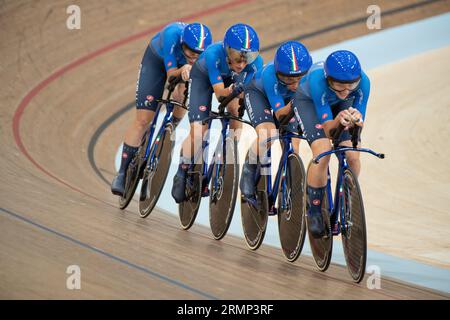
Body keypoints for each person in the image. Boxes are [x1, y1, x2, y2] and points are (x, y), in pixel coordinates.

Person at [111, 22, 212, 196]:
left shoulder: (205, 55)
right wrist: (183, 70)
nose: (194, 57)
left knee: (182, 96)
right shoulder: (172, 36)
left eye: (199, 54)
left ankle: (171, 124)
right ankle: (122, 172)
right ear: (182, 44)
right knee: (143, 120)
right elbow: (172, 74)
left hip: (184, 71)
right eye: (190, 51)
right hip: (157, 63)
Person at [171, 23, 263, 203]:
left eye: (247, 58)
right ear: (227, 50)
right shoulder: (213, 54)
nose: (242, 64)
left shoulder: (255, 64)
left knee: (235, 119)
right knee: (199, 131)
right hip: (204, 80)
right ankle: (181, 172)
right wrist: (238, 90)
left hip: (231, 83)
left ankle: (225, 153)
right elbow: (221, 95)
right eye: (237, 58)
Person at [291, 50, 370, 238]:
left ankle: (349, 197)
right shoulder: (318, 82)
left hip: (339, 105)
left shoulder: (363, 83)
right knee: (323, 151)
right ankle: (314, 209)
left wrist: (355, 122)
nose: (345, 90)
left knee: (352, 153)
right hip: (309, 103)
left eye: (351, 85)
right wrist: (338, 121)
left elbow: (357, 127)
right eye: (339, 85)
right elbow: (328, 129)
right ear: (328, 80)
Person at [239, 41, 313, 202]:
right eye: (288, 79)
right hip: (259, 95)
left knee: (293, 144)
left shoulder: (312, 76)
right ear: (279, 72)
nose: (294, 84)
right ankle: (248, 171)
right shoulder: (269, 75)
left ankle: (283, 190)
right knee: (268, 134)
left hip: (290, 101)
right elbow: (280, 115)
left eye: (299, 78)